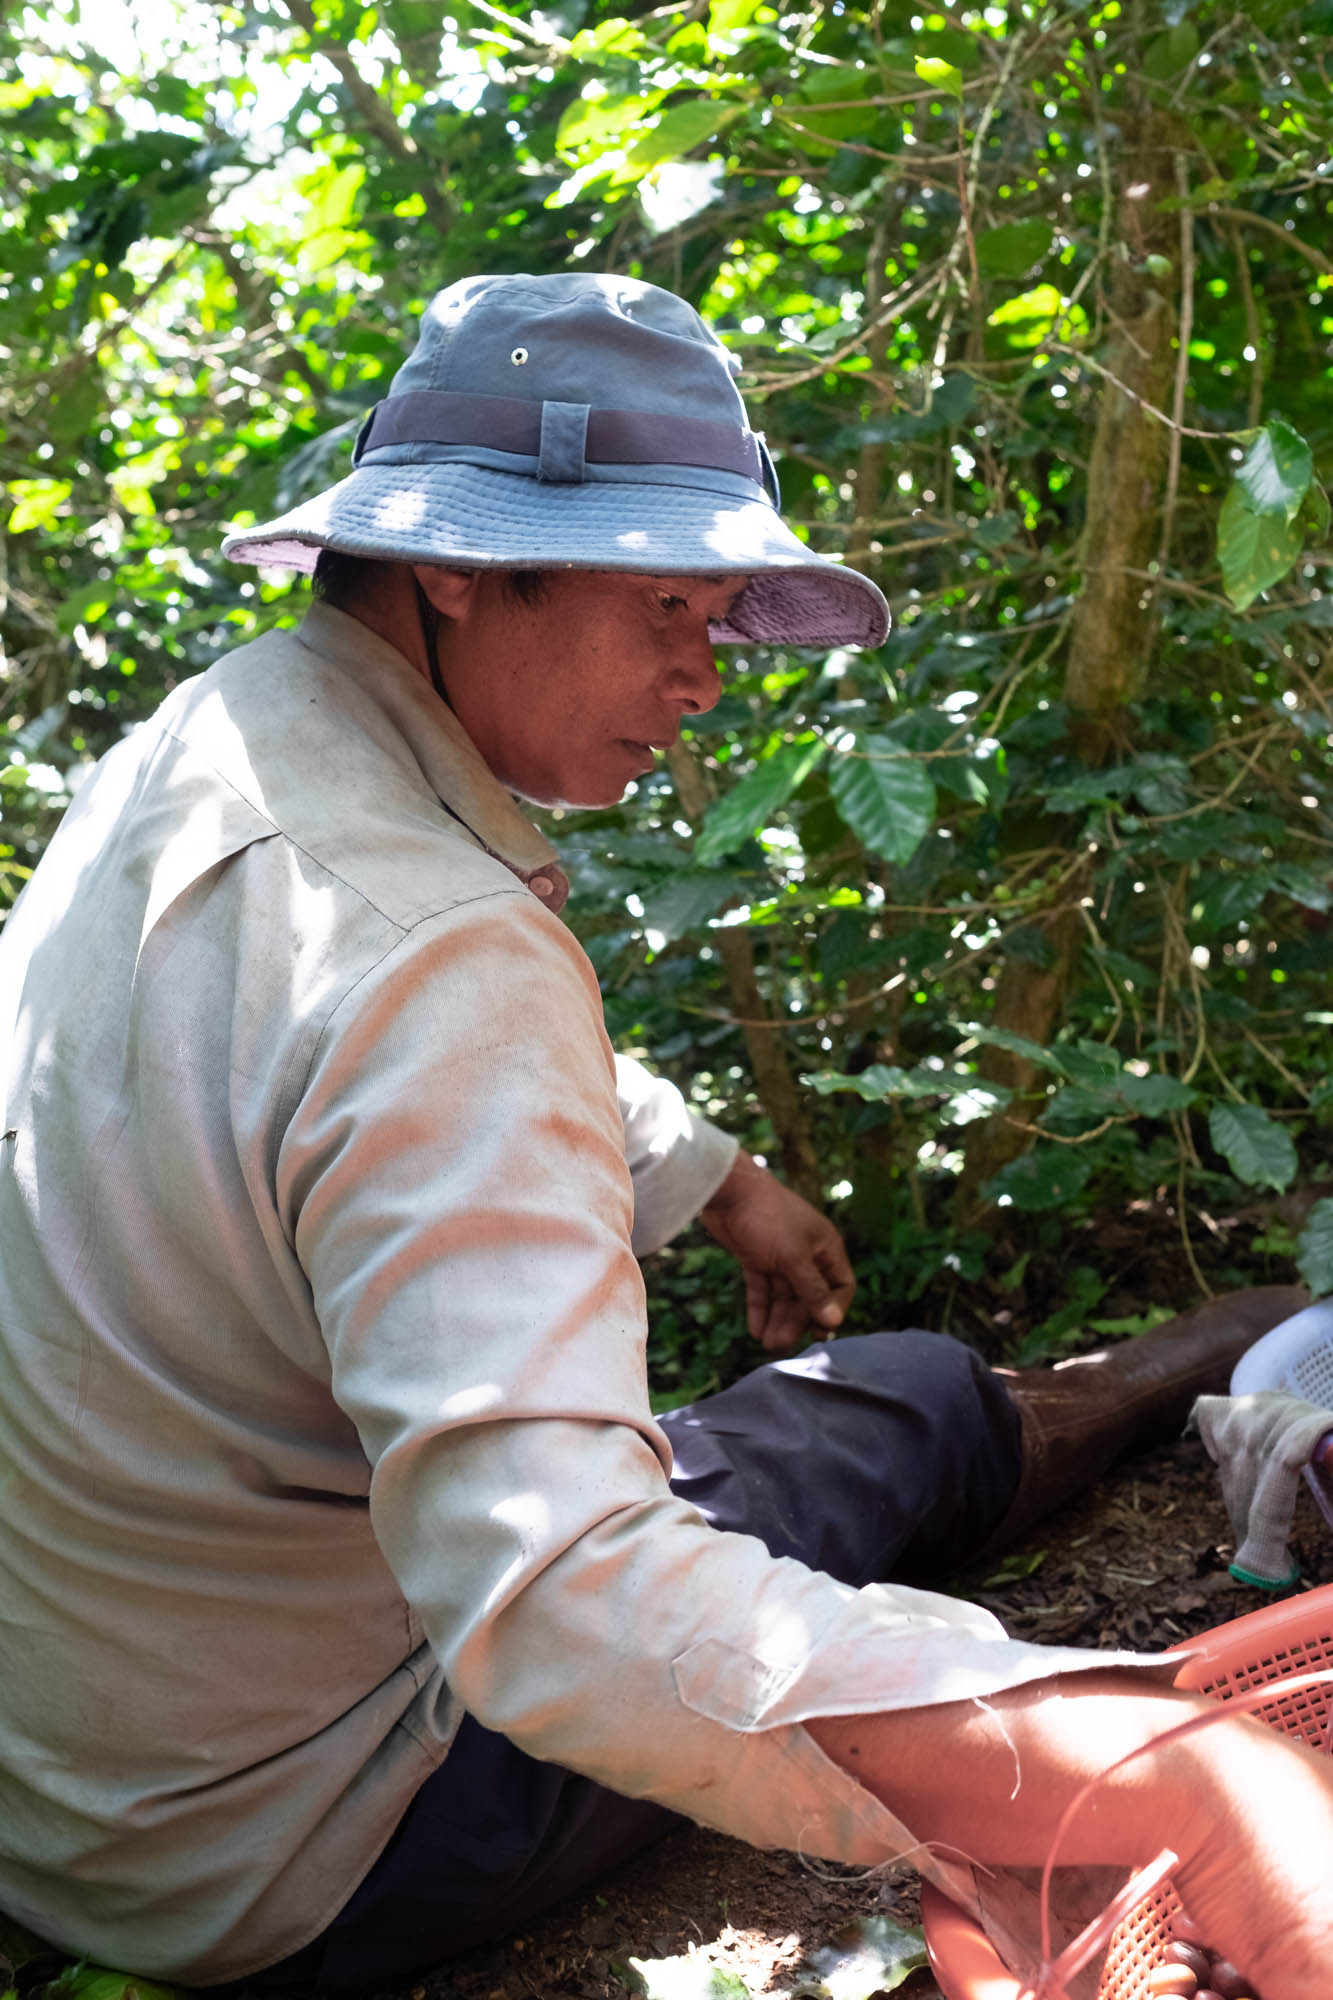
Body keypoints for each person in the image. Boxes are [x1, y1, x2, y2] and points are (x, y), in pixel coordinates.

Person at [0, 273, 1327, 1998]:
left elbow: (310, 1067)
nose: (702, 676)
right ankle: (1187, 1370)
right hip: (298, 1831)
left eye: (715, 615)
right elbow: (561, 1600)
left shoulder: (214, 745)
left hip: (75, 1782)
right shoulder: (436, 951)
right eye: (663, 607)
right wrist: (1176, 1777)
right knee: (901, 1403)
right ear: (456, 572)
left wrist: (719, 1182)